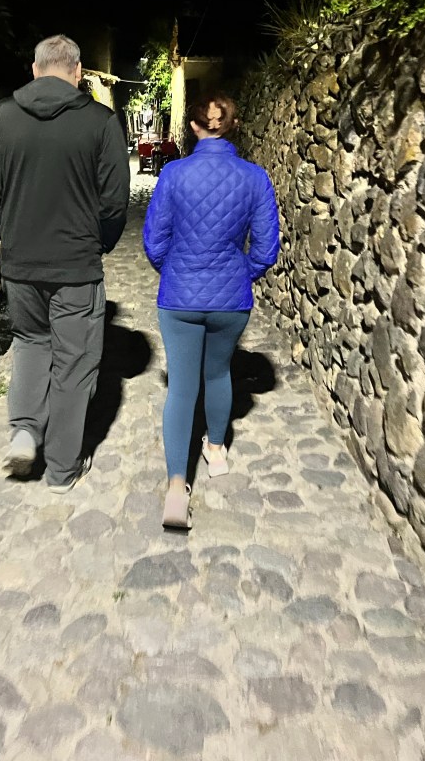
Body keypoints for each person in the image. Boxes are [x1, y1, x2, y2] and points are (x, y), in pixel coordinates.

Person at [0, 34, 130, 492]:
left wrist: (10, 235)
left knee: (30, 342)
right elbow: (114, 202)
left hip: (20, 264)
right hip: (76, 265)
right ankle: (62, 469)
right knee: (74, 363)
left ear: (34, 69)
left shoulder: (1, 117)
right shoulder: (101, 123)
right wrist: (98, 243)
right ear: (78, 72)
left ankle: (25, 431)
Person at [142, 91, 280, 528]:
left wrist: (176, 271)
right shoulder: (255, 178)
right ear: (233, 125)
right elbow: (266, 249)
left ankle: (175, 488)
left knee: (182, 388)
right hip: (230, 299)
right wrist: (240, 274)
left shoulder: (173, 174)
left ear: (194, 126)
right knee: (219, 373)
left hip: (179, 298)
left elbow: (154, 240)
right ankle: (216, 452)